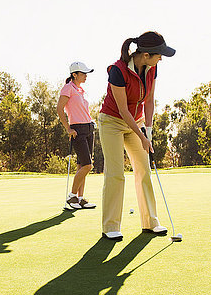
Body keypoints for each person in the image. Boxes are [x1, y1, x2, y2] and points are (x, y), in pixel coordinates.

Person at [98, 31, 176, 240]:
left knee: (144, 169)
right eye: (159, 54)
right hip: (112, 121)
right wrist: (142, 137)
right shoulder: (118, 70)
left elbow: (149, 100)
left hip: (137, 121)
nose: (161, 58)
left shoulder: (152, 68)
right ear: (146, 54)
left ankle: (150, 222)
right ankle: (110, 226)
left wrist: (148, 131)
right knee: (116, 173)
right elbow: (123, 109)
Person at [57, 61, 96, 209]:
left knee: (81, 165)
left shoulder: (80, 90)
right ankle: (71, 197)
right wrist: (68, 129)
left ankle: (80, 198)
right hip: (77, 129)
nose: (86, 76)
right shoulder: (68, 88)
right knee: (88, 165)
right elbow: (59, 109)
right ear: (74, 74)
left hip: (88, 128)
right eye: (83, 73)